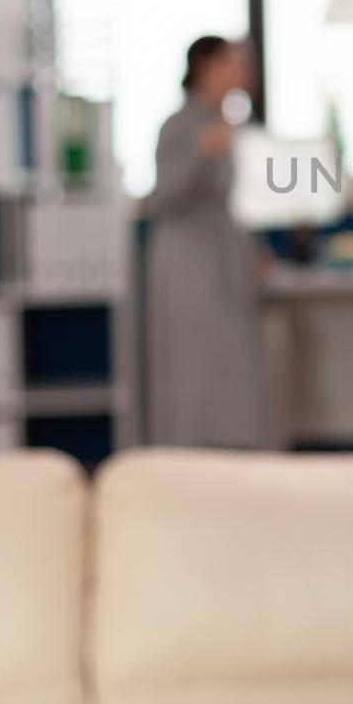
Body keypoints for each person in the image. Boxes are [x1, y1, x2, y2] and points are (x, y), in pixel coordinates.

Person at [143, 35, 272, 449]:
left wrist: (253, 252)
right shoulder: (180, 126)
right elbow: (162, 197)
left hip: (222, 256)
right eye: (232, 64)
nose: (241, 72)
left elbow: (229, 202)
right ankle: (187, 458)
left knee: (232, 366)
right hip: (187, 261)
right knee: (192, 368)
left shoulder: (228, 125)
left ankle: (233, 458)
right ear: (206, 68)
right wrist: (200, 152)